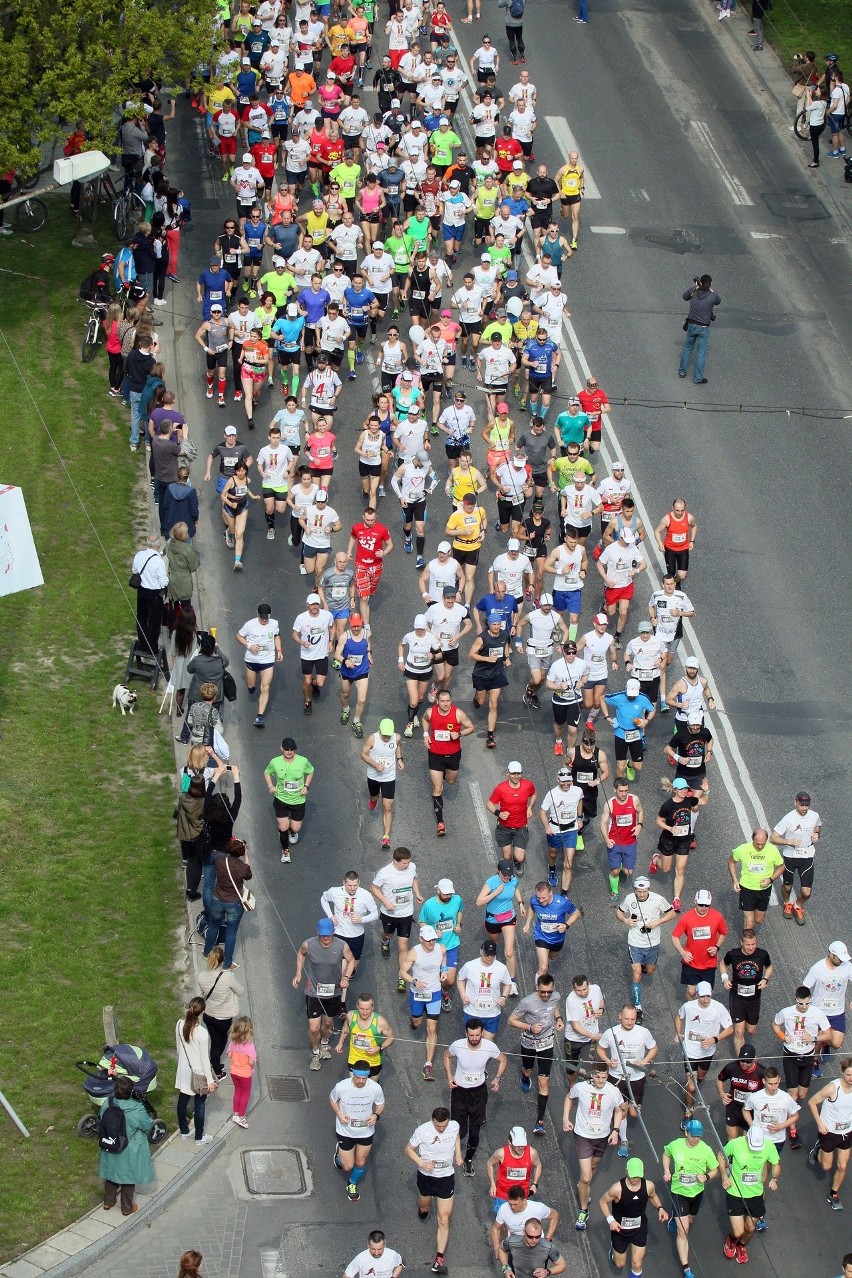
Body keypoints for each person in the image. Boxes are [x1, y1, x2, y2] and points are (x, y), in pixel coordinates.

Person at [563, 1063, 627, 1231]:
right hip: (583, 1136)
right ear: (592, 1075)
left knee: (593, 1167)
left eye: (604, 1077)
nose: (600, 1080)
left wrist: (615, 1130)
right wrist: (565, 1118)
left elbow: (619, 1110)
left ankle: (584, 1188)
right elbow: (569, 1098)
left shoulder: (613, 1091)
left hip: (602, 1137)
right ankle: (583, 1210)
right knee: (585, 1177)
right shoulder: (581, 1087)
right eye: (597, 1076)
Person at [444, 1019, 507, 1176]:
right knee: (460, 1131)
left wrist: (497, 1078)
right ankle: (453, 1152)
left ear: (481, 1034)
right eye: (471, 1035)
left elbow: (503, 1059)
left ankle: (468, 1159)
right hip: (459, 1093)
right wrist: (449, 1076)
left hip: (478, 1093)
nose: (474, 1038)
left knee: (474, 1132)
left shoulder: (489, 1047)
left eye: (477, 1035)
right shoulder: (458, 1045)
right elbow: (446, 1056)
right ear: (466, 1033)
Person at [406, 1106, 463, 1275]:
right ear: (433, 1120)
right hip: (427, 1176)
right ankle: (423, 1208)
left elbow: (456, 1137)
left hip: (446, 1177)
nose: (441, 1129)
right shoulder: (422, 1130)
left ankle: (439, 1259)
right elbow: (408, 1149)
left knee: (444, 1219)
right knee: (425, 1206)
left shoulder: (454, 1126)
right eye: (438, 1126)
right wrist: (422, 1163)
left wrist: (458, 1154)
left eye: (444, 1125)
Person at [293, 918, 356, 1072]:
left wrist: (346, 977)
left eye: (328, 935)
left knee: (327, 1024)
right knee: (314, 1028)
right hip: (314, 992)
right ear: (318, 932)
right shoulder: (309, 944)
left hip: (333, 992)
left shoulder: (342, 945)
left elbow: (351, 960)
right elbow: (301, 954)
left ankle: (324, 1041)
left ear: (333, 932)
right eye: (323, 935)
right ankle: (315, 1052)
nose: (326, 938)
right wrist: (298, 973)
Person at [597, 1006, 658, 1158]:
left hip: (637, 1078)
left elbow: (654, 1048)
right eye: (626, 1019)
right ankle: (623, 1140)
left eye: (633, 1019)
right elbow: (600, 1049)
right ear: (620, 1016)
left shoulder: (643, 1032)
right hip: (617, 1078)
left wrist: (644, 1061)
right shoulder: (611, 1032)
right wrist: (607, 1061)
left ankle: (624, 1114)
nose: (630, 1022)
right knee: (622, 1111)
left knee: (634, 1113)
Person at [508, 973, 564, 1134]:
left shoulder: (556, 996)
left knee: (543, 1082)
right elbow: (511, 1020)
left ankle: (540, 1121)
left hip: (547, 1042)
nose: (546, 995)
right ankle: (525, 1075)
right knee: (528, 1070)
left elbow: (554, 1007)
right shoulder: (527, 1002)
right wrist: (529, 1028)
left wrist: (559, 1018)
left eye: (549, 992)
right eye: (543, 992)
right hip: (529, 1042)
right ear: (537, 988)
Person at [662, 1119, 718, 1278]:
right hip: (679, 1192)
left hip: (696, 1193)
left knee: (690, 1221)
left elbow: (714, 1169)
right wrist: (667, 1170)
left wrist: (706, 1177)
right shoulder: (676, 1144)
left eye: (699, 1136)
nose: (696, 1139)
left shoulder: (706, 1150)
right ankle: (686, 1268)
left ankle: (675, 1219)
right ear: (686, 1133)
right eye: (693, 1136)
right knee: (684, 1229)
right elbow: (666, 1154)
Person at [616, 876, 676, 1022]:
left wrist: (657, 922)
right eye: (638, 891)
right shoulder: (630, 899)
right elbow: (619, 911)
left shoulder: (657, 899)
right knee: (636, 975)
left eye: (644, 891)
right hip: (635, 942)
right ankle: (638, 1007)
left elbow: (672, 912)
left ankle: (644, 966)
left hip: (653, 942)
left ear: (648, 889)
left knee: (650, 970)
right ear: (635, 890)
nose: (641, 894)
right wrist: (625, 920)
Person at [773, 987, 831, 1134]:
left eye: (807, 1003)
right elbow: (775, 1024)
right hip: (791, 1056)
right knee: (793, 1094)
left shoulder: (817, 1013)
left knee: (802, 1094)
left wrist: (813, 1038)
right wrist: (782, 1036)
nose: (804, 1007)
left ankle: (791, 1110)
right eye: (801, 1004)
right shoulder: (786, 1012)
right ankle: (792, 1127)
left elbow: (828, 1034)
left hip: (807, 1056)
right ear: (795, 1000)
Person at [719, 1124, 780, 1262]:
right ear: (747, 1138)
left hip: (755, 1194)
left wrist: (774, 1179)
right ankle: (732, 1239)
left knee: (750, 1228)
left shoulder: (769, 1146)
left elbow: (776, 1164)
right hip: (735, 1192)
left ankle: (741, 1245)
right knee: (738, 1231)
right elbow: (721, 1155)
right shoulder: (735, 1144)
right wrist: (724, 1176)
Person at [599, 1158, 669, 1276]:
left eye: (638, 1176)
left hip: (639, 1229)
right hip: (620, 1229)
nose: (635, 1179)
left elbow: (653, 1196)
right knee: (619, 1264)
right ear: (626, 1171)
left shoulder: (648, 1186)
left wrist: (660, 1208)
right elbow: (602, 1202)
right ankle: (613, 1251)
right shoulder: (617, 1188)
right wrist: (611, 1220)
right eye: (632, 1176)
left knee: (637, 1263)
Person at [674, 981, 733, 1118]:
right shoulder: (688, 1007)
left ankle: (691, 1089)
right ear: (697, 996)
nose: (706, 1000)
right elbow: (678, 1016)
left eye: (708, 996)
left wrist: (714, 1039)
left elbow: (730, 1029)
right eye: (702, 997)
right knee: (691, 1087)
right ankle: (689, 1109)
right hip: (690, 1051)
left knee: (700, 1077)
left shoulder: (719, 1008)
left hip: (707, 1051)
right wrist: (677, 1032)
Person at [98, 1073, 155, 1215]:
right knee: (129, 1177)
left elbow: (100, 1116)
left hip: (111, 1143)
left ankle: (108, 1201)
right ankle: (126, 1207)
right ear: (131, 1091)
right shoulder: (137, 1108)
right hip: (129, 1147)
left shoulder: (108, 1102)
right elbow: (147, 1125)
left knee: (111, 1173)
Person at [330, 1061, 386, 1202]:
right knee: (347, 1166)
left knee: (360, 1162)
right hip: (346, 1131)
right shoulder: (342, 1086)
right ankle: (339, 1156)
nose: (361, 1081)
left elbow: (380, 1103)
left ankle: (352, 1183)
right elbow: (332, 1099)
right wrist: (339, 1113)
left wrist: (376, 1115)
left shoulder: (375, 1088)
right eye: (358, 1078)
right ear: (353, 1075)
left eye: (364, 1079)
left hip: (365, 1132)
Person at [422, 691, 475, 836]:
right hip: (435, 754)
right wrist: (426, 735)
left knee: (451, 781)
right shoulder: (430, 712)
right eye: (443, 701)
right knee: (437, 788)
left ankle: (443, 774)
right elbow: (424, 720)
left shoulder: (458, 713)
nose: (446, 704)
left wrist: (459, 734)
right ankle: (440, 823)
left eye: (448, 701)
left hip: (452, 754)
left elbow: (471, 727)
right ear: (437, 701)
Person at [400, 925, 447, 1081]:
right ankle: (414, 1021)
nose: (431, 943)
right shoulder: (414, 952)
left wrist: (444, 970)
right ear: (421, 939)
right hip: (418, 994)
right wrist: (414, 981)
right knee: (418, 1022)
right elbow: (402, 972)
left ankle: (428, 1065)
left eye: (433, 939)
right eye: (428, 940)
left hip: (434, 993)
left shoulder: (441, 948)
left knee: (432, 1028)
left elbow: (444, 958)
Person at [770, 789, 822, 924]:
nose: (804, 808)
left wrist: (817, 835)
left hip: (807, 856)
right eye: (801, 805)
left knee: (806, 892)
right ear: (795, 803)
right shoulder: (788, 818)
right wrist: (789, 842)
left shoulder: (814, 815)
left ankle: (798, 905)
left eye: (807, 805)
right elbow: (773, 838)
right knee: (787, 887)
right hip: (790, 856)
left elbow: (818, 827)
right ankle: (787, 903)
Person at [807, 1058, 852, 1211]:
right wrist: (820, 1123)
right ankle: (818, 1149)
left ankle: (833, 1194)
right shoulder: (833, 1088)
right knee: (826, 1166)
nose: (851, 1078)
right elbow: (812, 1102)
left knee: (843, 1165)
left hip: (846, 1132)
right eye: (848, 1075)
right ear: (842, 1073)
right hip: (829, 1132)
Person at [477, 858, 527, 992]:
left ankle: (512, 982)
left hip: (508, 918)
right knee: (496, 942)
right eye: (504, 875)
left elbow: (515, 888)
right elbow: (479, 902)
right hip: (492, 919)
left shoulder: (513, 879)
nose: (507, 877)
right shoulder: (491, 882)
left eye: (508, 875)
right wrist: (495, 893)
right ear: (498, 871)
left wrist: (520, 903)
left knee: (509, 952)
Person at [720, 930, 773, 1055]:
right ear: (741, 943)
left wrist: (765, 979)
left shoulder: (762, 954)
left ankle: (744, 1023)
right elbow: (723, 963)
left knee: (751, 1029)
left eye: (753, 944)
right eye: (748, 945)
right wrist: (725, 978)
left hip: (754, 998)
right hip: (737, 996)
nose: (751, 947)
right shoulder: (733, 954)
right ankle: (742, 1060)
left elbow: (770, 967)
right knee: (739, 1031)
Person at [174, 997, 218, 1146]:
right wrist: (210, 1080)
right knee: (200, 1105)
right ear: (202, 1012)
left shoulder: (180, 1024)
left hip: (184, 1070)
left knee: (182, 1100)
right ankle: (199, 1137)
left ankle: (184, 1131)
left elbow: (179, 1049)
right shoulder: (202, 1033)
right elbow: (205, 1058)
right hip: (198, 1073)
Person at [203, 838, 252, 971]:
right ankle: (227, 963)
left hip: (217, 899)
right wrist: (247, 856)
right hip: (234, 904)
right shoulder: (242, 868)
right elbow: (248, 873)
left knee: (213, 926)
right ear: (241, 853)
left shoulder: (219, 860)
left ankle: (207, 952)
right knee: (231, 933)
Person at [372, 845, 422, 974]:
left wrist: (417, 893)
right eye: (405, 863)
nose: (407, 865)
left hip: (406, 912)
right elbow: (374, 888)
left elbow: (414, 879)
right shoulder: (385, 873)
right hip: (389, 913)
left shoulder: (412, 867)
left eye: (408, 862)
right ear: (396, 861)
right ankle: (385, 941)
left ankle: (402, 975)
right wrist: (385, 901)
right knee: (388, 934)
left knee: (403, 946)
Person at [264, 736, 314, 863]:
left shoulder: (303, 761)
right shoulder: (275, 762)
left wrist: (306, 786)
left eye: (292, 749)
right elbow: (267, 772)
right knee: (282, 827)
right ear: (281, 748)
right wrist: (270, 785)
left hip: (298, 800)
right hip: (281, 799)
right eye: (286, 749)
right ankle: (285, 851)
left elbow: (311, 771)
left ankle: (292, 831)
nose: (289, 751)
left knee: (296, 828)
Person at [671, 889, 727, 998]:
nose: (703, 908)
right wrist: (683, 952)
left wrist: (716, 947)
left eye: (707, 905)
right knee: (691, 991)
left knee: (705, 994)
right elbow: (674, 936)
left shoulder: (717, 917)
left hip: (709, 962)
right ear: (695, 902)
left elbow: (723, 933)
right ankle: (692, 1012)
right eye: (701, 904)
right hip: (691, 962)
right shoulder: (687, 917)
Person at [804, 941, 852, 1069]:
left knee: (836, 1043)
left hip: (837, 1012)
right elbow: (805, 987)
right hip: (819, 1012)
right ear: (831, 954)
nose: (842, 961)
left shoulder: (847, 966)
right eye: (839, 958)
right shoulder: (817, 968)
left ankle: (826, 1043)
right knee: (817, 1040)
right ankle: (814, 1062)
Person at [199, 946, 244, 1080]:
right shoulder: (227, 976)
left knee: (214, 1040)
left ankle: (215, 1063)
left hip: (208, 1014)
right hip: (223, 1017)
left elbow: (199, 995)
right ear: (222, 961)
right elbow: (240, 991)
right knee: (220, 1041)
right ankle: (216, 1070)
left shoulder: (201, 975)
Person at [419, 879, 464, 1012]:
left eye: (450, 894)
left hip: (451, 945)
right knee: (431, 977)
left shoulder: (457, 900)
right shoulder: (429, 905)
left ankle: (445, 993)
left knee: (449, 981)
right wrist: (431, 931)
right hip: (433, 947)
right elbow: (421, 921)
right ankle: (431, 999)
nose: (448, 896)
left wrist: (459, 924)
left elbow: (460, 911)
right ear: (437, 890)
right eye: (445, 894)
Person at [237, 602, 283, 728]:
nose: (264, 619)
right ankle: (251, 686)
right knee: (251, 685)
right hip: (252, 660)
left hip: (267, 660)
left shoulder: (274, 623)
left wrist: (279, 650)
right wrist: (249, 646)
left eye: (266, 617)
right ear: (257, 614)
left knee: (265, 687)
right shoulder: (250, 624)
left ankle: (260, 716)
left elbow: (276, 636)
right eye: (262, 617)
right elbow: (239, 636)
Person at [361, 719, 405, 850]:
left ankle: (386, 837)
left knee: (387, 807)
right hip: (374, 776)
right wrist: (375, 765)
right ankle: (373, 798)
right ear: (380, 730)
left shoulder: (396, 737)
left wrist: (399, 759)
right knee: (374, 797)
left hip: (389, 777)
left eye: (388, 735)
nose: (386, 737)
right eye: (384, 735)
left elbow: (398, 747)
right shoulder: (372, 739)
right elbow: (363, 754)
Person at [469, 615, 512, 749]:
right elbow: (471, 655)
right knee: (481, 702)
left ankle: (490, 735)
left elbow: (505, 646)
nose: (496, 627)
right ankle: (477, 696)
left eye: (498, 624)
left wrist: (506, 658)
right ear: (489, 624)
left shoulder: (504, 635)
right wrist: (487, 659)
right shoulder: (482, 638)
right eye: (494, 624)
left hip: (497, 674)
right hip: (481, 674)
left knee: (493, 704)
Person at [487, 761, 537, 875]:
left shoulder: (527, 785)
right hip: (504, 828)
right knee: (507, 856)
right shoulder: (501, 788)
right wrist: (498, 813)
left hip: (521, 827)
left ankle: (518, 862)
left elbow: (534, 794)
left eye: (519, 774)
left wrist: (530, 807)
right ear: (507, 773)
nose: (516, 776)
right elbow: (489, 804)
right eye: (513, 773)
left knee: (519, 857)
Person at [538, 768, 584, 892]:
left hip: (571, 829)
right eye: (563, 781)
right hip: (555, 829)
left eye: (568, 781)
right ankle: (551, 869)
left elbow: (580, 800)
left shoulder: (577, 790)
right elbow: (542, 812)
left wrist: (579, 818)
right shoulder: (552, 794)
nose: (566, 784)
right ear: (557, 780)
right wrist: (547, 827)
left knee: (568, 864)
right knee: (553, 853)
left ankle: (564, 894)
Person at [728, 830, 784, 929]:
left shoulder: (772, 850)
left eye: (763, 844)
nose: (760, 847)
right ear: (752, 839)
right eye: (757, 844)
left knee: (759, 920)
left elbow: (781, 866)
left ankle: (749, 927)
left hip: (764, 890)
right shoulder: (742, 849)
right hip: (747, 889)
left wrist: (770, 879)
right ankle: (746, 943)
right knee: (749, 922)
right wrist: (735, 880)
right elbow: (731, 861)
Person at [458, 940, 513, 1040]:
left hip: (492, 1013)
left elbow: (508, 984)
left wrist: (504, 996)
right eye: (487, 954)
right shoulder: (469, 966)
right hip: (472, 1012)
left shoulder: (502, 968)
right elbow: (460, 979)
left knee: (487, 1045)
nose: (490, 957)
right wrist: (463, 995)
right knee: (473, 1041)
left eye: (492, 954)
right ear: (481, 951)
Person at [600, 780, 644, 903]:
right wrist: (607, 839)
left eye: (626, 791)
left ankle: (621, 865)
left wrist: (640, 825)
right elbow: (603, 823)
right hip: (615, 842)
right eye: (621, 791)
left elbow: (640, 811)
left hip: (630, 842)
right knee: (615, 872)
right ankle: (615, 892)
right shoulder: (610, 804)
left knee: (628, 872)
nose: (624, 794)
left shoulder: (634, 800)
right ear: (615, 790)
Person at [523, 882, 580, 977]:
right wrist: (527, 923)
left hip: (557, 939)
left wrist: (566, 925)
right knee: (543, 967)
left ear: (550, 893)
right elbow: (532, 908)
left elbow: (576, 913)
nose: (540, 901)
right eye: (539, 897)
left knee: (552, 957)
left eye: (543, 898)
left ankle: (546, 958)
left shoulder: (562, 903)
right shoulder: (534, 900)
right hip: (541, 936)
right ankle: (539, 989)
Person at [292, 591, 335, 712]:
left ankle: (315, 686)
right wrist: (302, 642)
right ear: (307, 605)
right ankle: (307, 700)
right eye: (312, 604)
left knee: (320, 683)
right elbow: (294, 634)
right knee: (307, 680)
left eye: (317, 604)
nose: (315, 607)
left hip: (322, 654)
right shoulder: (301, 618)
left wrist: (330, 641)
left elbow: (332, 627)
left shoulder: (326, 615)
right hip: (307, 654)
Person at [743, 1066, 800, 1153]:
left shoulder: (785, 1098)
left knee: (772, 1164)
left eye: (776, 1083)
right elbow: (745, 1110)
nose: (773, 1087)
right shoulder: (755, 1097)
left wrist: (782, 1126)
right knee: (760, 1164)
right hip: (759, 1138)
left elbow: (795, 1116)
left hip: (777, 1139)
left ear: (779, 1080)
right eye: (770, 1084)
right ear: (764, 1081)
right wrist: (752, 1126)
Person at [487, 1128, 545, 1212]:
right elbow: (490, 1163)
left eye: (523, 1145)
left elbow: (538, 1165)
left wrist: (535, 1184)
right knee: (501, 1218)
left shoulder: (532, 1153)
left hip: (521, 1195)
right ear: (510, 1142)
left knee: (519, 1218)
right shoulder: (501, 1153)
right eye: (518, 1145)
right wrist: (492, 1183)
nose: (521, 1148)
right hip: (503, 1194)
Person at [337, 993, 395, 1076]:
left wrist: (379, 1048)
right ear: (357, 1006)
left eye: (367, 1009)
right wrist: (340, 1043)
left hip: (373, 1060)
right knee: (356, 1086)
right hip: (354, 1058)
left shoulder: (380, 1021)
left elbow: (391, 1038)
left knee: (372, 1087)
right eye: (362, 1009)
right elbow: (346, 1026)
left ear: (372, 1007)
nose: (364, 1012)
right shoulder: (351, 1015)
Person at [677, 275, 721, 385]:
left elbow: (685, 296)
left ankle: (682, 372)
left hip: (692, 325)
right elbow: (718, 301)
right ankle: (698, 378)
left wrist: (696, 286)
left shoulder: (695, 292)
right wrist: (709, 288)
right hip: (703, 328)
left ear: (700, 282)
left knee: (687, 348)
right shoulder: (713, 296)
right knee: (701, 353)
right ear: (710, 284)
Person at [717, 1046, 766, 1140]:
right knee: (732, 1138)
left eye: (748, 1062)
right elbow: (720, 1079)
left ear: (754, 1059)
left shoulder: (761, 1072)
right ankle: (730, 1154)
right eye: (742, 1060)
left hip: (751, 1110)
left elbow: (769, 1087)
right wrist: (722, 1093)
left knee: (746, 1139)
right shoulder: (731, 1067)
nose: (744, 1064)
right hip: (733, 1107)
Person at [132, 537, 169, 658]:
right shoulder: (158, 561)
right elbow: (163, 582)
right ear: (158, 545)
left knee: (142, 618)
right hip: (154, 594)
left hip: (141, 591)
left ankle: (143, 644)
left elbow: (135, 570)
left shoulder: (139, 555)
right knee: (155, 620)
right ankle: (152, 648)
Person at [499, 1220, 566, 1278]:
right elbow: (501, 1249)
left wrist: (547, 1271)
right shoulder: (511, 1241)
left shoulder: (548, 1247)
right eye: (530, 1237)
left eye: (537, 1237)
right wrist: (506, 1268)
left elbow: (562, 1264)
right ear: (524, 1231)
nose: (534, 1240)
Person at [655, 499, 697, 583]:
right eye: (677, 510)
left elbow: (694, 526)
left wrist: (692, 541)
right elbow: (657, 531)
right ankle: (671, 586)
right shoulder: (667, 519)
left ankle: (676, 583)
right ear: (672, 508)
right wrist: (660, 543)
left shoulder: (689, 517)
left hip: (683, 548)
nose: (680, 513)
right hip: (670, 549)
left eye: (682, 510)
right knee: (671, 572)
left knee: (682, 575)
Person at [226, 1016, 257, 1128]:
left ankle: (235, 1113)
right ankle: (241, 1117)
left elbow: (229, 1055)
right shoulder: (249, 1046)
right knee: (245, 1094)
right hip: (245, 1074)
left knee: (237, 1091)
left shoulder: (233, 1042)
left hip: (234, 1072)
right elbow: (251, 1062)